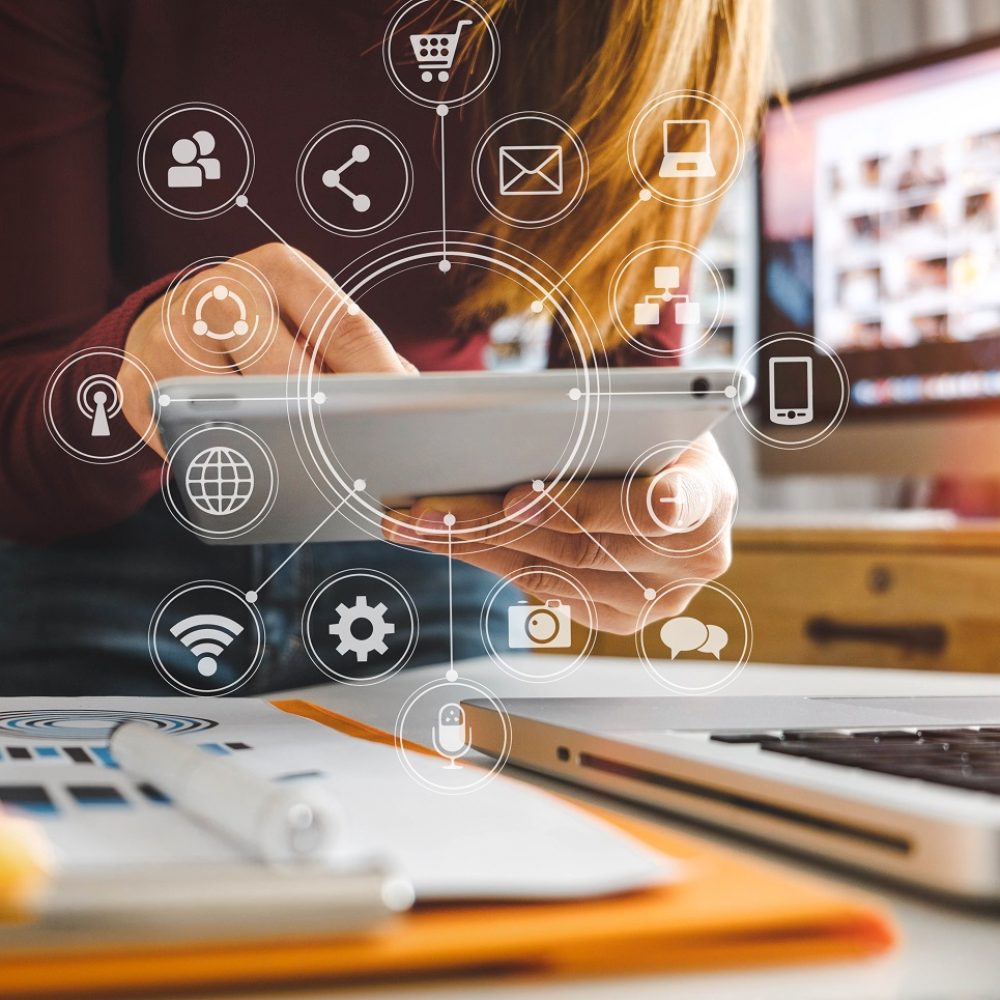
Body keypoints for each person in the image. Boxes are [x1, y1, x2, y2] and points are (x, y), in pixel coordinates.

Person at [0, 0, 771, 695]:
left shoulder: (666, 20)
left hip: (441, 548)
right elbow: (19, 454)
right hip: (107, 548)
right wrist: (132, 373)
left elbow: (624, 384)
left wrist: (651, 500)